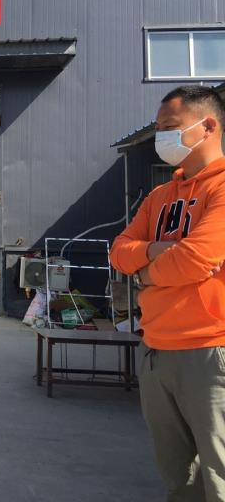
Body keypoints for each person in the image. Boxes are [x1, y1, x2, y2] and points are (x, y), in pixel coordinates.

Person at [111, 85, 225, 501]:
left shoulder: (221, 188)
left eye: (170, 126)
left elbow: (195, 259)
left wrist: (144, 272)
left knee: (218, 476)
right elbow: (118, 252)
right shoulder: (160, 196)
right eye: (158, 128)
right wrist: (156, 253)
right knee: (179, 478)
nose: (162, 136)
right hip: (156, 349)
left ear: (207, 126)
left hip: (210, 350)